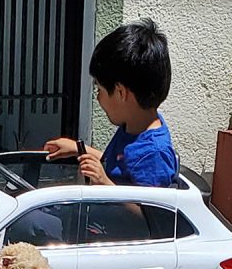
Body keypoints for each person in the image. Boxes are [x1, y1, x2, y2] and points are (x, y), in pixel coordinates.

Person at [44, 18, 178, 187]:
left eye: (100, 90)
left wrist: (105, 183)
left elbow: (151, 211)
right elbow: (117, 166)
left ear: (121, 92)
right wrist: (78, 149)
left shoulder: (153, 153)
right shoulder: (134, 128)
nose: (98, 97)